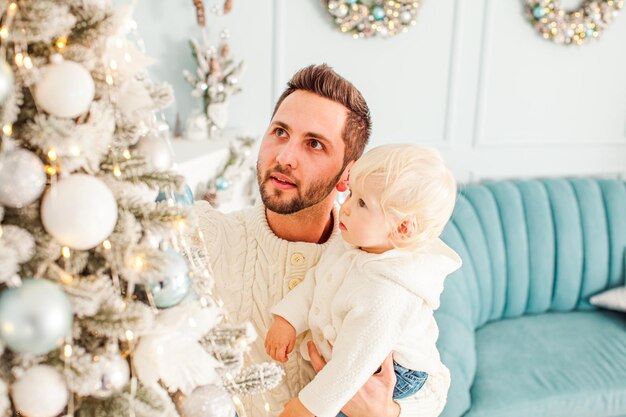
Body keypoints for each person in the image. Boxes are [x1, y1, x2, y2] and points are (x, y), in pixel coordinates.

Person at [194, 64, 450, 416]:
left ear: (349, 173)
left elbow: (434, 386)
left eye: (314, 144)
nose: (284, 158)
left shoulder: (381, 263)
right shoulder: (208, 236)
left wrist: (385, 413)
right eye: (280, 132)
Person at [265, 144, 462, 417]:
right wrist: (287, 319)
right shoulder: (357, 242)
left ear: (401, 228)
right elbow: (318, 281)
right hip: (354, 356)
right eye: (352, 195)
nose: (344, 208)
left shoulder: (387, 291)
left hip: (394, 373)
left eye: (361, 203)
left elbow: (351, 366)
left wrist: (305, 409)